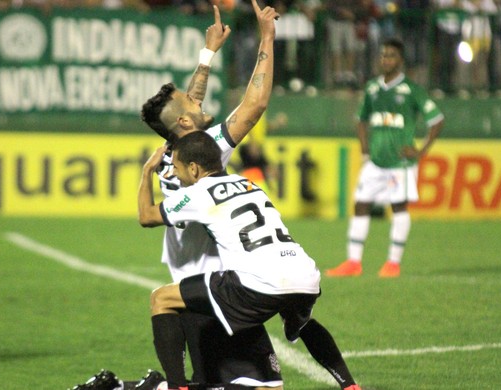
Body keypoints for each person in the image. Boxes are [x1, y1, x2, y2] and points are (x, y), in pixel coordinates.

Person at [137, 131, 362, 390]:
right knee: (301, 324)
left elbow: (147, 216)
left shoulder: (198, 193)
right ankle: (349, 386)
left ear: (194, 168)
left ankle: (176, 387)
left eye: (176, 168)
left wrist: (146, 173)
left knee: (161, 299)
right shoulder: (249, 184)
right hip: (304, 274)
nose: (175, 174)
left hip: (257, 282)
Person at [141, 2, 283, 389]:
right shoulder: (207, 151)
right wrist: (267, 36)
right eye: (191, 104)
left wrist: (208, 54)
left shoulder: (182, 150)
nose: (198, 99)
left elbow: (190, 107)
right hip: (212, 295)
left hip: (198, 290)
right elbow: (255, 105)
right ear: (185, 122)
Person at [326, 37, 444, 278]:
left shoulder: (411, 90)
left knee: (398, 206)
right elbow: (360, 120)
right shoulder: (372, 88)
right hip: (375, 161)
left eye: (391, 55)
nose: (385, 59)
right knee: (360, 204)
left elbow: (437, 120)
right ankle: (353, 262)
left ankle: (393, 263)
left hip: (400, 163)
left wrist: (421, 151)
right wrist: (365, 151)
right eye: (383, 55)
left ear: (400, 60)